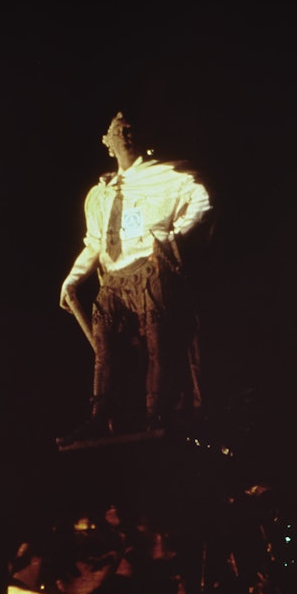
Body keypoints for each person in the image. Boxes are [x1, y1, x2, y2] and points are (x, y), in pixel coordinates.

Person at [58, 111, 212, 446]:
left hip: (150, 271)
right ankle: (101, 417)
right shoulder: (98, 195)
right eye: (118, 130)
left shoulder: (165, 175)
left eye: (131, 130)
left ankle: (158, 412)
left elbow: (201, 199)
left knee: (159, 343)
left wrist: (175, 233)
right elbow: (95, 243)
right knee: (105, 349)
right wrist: (72, 280)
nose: (125, 135)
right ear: (107, 141)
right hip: (114, 278)